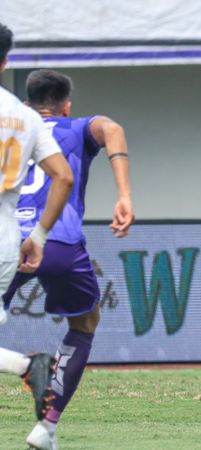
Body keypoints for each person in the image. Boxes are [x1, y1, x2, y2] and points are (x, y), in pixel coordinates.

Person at [1, 68, 134, 449]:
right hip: (58, 241)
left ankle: (29, 374)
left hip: (10, 239)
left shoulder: (17, 126)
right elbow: (113, 130)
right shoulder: (76, 127)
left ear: (27, 105)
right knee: (85, 322)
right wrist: (124, 195)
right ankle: (47, 428)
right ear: (66, 105)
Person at [0, 23, 75, 450]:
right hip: (9, 235)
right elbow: (62, 176)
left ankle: (28, 366)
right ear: (6, 60)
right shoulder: (25, 116)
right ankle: (28, 367)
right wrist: (40, 235)